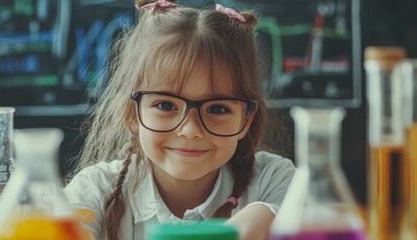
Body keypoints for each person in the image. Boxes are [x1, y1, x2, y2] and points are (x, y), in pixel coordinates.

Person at [64, 0, 295, 239]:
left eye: (217, 109)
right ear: (132, 113)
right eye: (166, 105)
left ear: (246, 120)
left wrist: (265, 217)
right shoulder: (94, 190)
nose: (190, 130)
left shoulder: (273, 181)